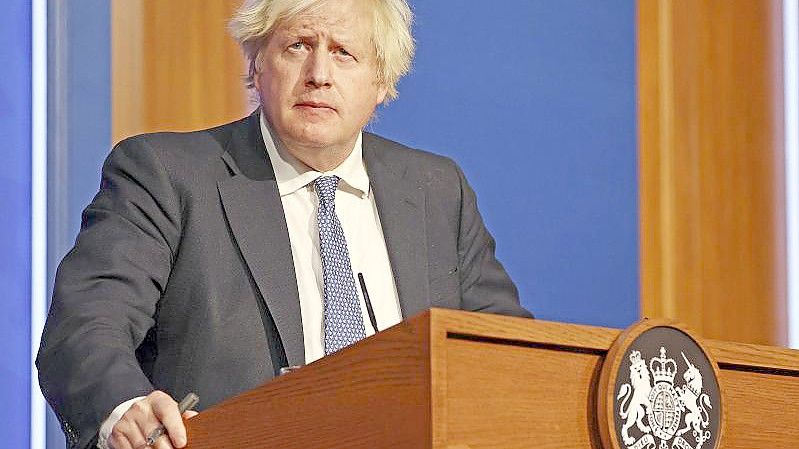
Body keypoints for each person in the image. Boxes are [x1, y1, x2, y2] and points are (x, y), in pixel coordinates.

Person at [36, 1, 533, 448]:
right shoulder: (167, 173)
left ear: (383, 81)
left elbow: (506, 352)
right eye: (298, 45)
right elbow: (86, 325)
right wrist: (126, 409)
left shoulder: (436, 189)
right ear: (257, 65)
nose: (319, 73)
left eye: (344, 52)